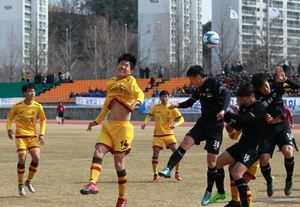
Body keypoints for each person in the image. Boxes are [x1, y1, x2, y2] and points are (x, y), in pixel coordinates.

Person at [157, 65, 231, 206]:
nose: (191, 82)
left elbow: (226, 95)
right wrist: (178, 105)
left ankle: (209, 191)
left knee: (211, 163)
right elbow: (191, 102)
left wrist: (223, 110)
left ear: (198, 76)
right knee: (185, 142)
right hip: (202, 124)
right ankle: (168, 169)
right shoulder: (199, 89)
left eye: (191, 79)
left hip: (215, 128)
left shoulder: (214, 83)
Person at [79, 53, 144, 207]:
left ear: (130, 71)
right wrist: (96, 121)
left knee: (118, 163)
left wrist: (138, 101)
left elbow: (139, 93)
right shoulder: (110, 83)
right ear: (116, 66)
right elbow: (106, 106)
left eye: (126, 65)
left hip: (123, 128)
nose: (123, 66)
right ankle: (92, 184)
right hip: (108, 126)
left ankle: (122, 198)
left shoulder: (130, 82)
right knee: (98, 152)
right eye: (121, 63)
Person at [209, 82, 266, 207]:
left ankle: (242, 204)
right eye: (239, 99)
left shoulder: (259, 107)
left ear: (252, 96)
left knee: (236, 173)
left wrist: (227, 113)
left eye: (243, 99)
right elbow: (240, 125)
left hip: (253, 148)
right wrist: (227, 120)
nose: (241, 102)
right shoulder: (245, 107)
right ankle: (221, 192)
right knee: (218, 162)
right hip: (242, 145)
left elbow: (245, 119)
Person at [251, 66, 300, 197]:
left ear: (268, 82)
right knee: (264, 159)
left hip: (281, 126)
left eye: (266, 86)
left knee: (288, 151)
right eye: (262, 89)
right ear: (257, 89)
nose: (266, 89)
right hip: (267, 130)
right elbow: (252, 113)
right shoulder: (255, 97)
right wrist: (262, 117)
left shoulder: (277, 86)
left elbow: (296, 86)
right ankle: (269, 181)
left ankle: (289, 179)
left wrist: (285, 79)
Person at [6, 83, 46, 196]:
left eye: (33, 91)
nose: (32, 93)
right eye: (30, 91)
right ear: (24, 93)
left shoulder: (38, 106)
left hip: (32, 137)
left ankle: (28, 181)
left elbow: (43, 120)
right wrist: (9, 130)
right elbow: (9, 118)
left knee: (37, 157)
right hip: (20, 137)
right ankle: (20, 185)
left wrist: (42, 134)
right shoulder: (17, 106)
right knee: (22, 158)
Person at [141, 90, 185, 183]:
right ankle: (155, 175)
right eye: (162, 97)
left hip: (169, 134)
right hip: (158, 135)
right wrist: (145, 123)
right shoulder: (156, 107)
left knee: (177, 153)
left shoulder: (172, 108)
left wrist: (175, 125)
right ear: (160, 98)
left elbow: (181, 119)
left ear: (168, 97)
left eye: (166, 96)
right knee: (155, 154)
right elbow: (149, 116)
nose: (164, 98)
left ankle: (177, 173)